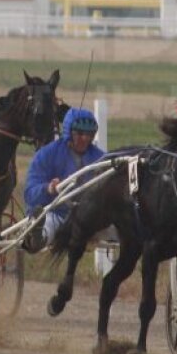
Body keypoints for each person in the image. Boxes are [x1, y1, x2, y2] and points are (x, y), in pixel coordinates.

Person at [21, 106, 105, 252]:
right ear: (68, 132)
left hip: (91, 219)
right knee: (48, 222)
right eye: (79, 133)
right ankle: (37, 238)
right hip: (57, 213)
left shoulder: (100, 158)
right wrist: (48, 188)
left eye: (90, 134)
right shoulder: (46, 155)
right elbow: (29, 194)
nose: (85, 139)